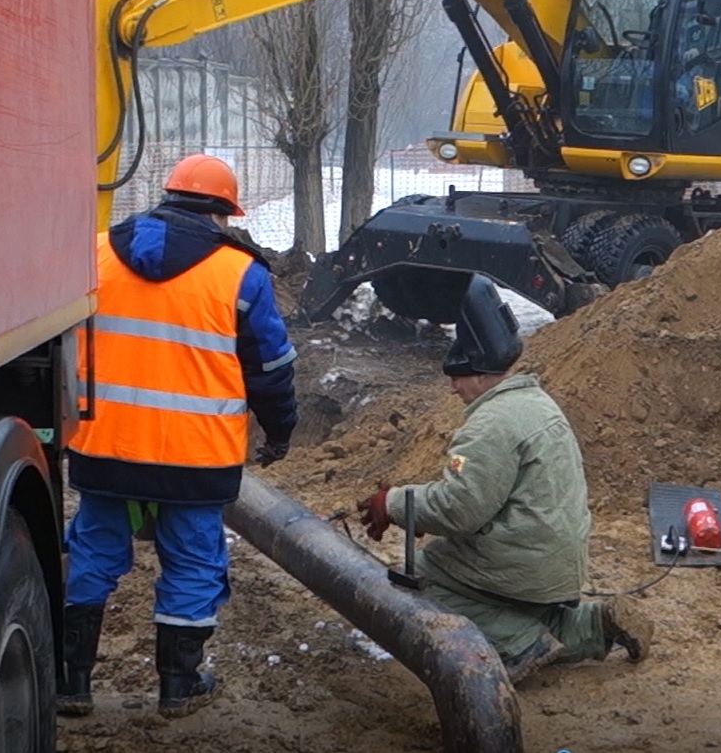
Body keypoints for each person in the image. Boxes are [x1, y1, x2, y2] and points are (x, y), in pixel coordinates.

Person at [60, 154, 299, 719]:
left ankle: (70, 681)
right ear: (223, 212)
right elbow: (270, 370)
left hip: (105, 445)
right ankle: (177, 686)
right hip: (195, 456)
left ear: (166, 198)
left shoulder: (96, 253)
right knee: (193, 561)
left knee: (92, 551)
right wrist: (280, 431)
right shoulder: (241, 274)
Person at [356, 275, 650, 683]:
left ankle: (520, 646)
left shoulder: (490, 423)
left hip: (525, 564)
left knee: (428, 577)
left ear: (479, 373)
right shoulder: (536, 403)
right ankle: (594, 625)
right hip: (556, 562)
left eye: (458, 376)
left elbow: (460, 510)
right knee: (511, 604)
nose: (454, 387)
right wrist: (422, 514)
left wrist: (393, 503)